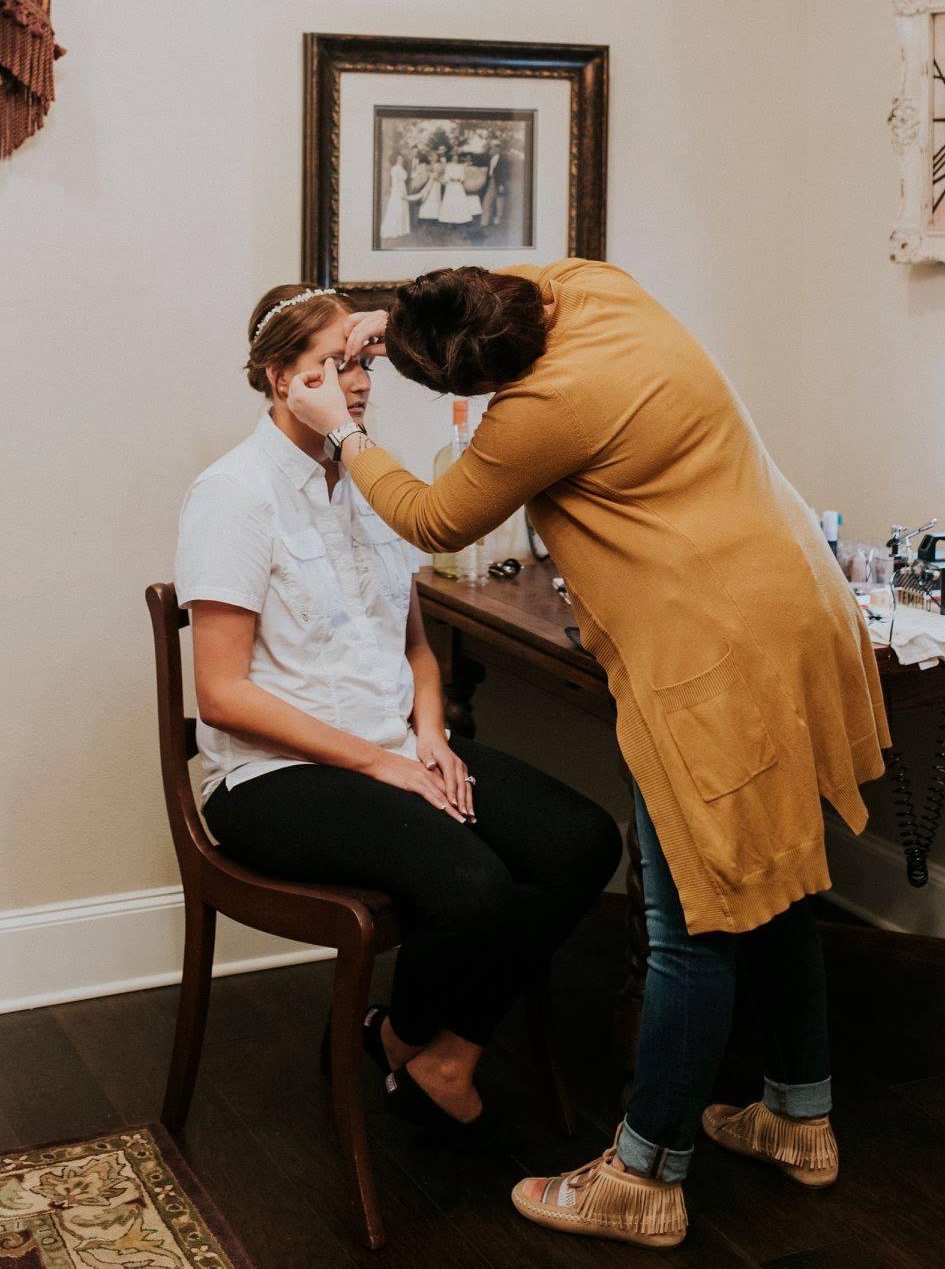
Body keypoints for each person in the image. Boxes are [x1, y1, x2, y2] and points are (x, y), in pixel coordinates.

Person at [286, 260, 891, 1250]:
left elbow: (434, 518)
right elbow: (497, 288)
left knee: (690, 915)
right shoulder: (590, 287)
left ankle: (645, 1176)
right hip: (795, 601)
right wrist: (396, 316)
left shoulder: (541, 409)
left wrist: (346, 431)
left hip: (712, 650)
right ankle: (797, 1113)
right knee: (772, 874)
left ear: (487, 387)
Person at [174, 283, 621, 1144]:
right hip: (274, 777)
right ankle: (397, 1036)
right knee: (471, 884)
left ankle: (437, 1050)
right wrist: (383, 764)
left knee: (581, 842)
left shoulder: (374, 481)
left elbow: (414, 644)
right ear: (279, 378)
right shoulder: (233, 494)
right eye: (329, 366)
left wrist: (431, 737)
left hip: (395, 746)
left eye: (362, 364)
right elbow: (222, 695)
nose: (355, 383)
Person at [379, 154, 411, 242]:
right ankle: (395, 229)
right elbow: (395, 182)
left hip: (402, 188)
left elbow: (404, 177)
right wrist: (400, 193)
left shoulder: (401, 168)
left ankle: (402, 229)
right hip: (398, 191)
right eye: (399, 158)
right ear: (396, 159)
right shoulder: (395, 169)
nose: (402, 159)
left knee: (403, 209)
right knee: (397, 209)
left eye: (402, 158)